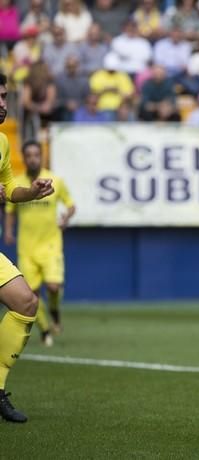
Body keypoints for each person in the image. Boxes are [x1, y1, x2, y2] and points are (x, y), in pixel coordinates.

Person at [0, 72, 55, 422]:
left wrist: (30, 192)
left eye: (5, 97)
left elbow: (6, 190)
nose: (4, 105)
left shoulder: (3, 142)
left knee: (26, 301)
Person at [4, 140, 75, 344]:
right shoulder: (17, 183)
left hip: (51, 245)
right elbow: (10, 211)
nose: (33, 158)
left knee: (53, 287)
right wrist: (8, 231)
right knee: (31, 295)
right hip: (26, 248)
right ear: (24, 158)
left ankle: (54, 309)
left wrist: (66, 218)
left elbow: (71, 205)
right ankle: (45, 330)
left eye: (36, 154)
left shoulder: (55, 180)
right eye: (29, 155)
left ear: (42, 156)